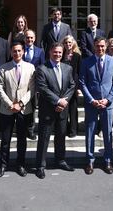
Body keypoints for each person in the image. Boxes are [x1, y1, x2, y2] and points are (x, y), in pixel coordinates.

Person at [80, 37, 113, 175]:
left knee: (108, 132)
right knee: (90, 132)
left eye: (102, 46)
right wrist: (91, 100)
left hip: (107, 104)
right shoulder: (86, 62)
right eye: (97, 46)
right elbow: (82, 82)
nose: (100, 49)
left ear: (106, 46)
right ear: (94, 47)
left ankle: (108, 160)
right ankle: (90, 160)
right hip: (92, 104)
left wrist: (108, 100)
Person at [35, 43, 76, 179]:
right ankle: (40, 166)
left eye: (60, 52)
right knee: (44, 138)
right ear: (50, 52)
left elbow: (72, 85)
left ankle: (61, 160)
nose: (57, 55)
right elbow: (43, 88)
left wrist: (64, 101)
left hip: (62, 110)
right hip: (48, 110)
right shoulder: (42, 69)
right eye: (55, 52)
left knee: (61, 137)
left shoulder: (67, 68)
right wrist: (58, 101)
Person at [0, 41, 35, 178]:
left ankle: (21, 165)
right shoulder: (4, 68)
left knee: (21, 140)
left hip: (24, 109)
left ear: (23, 51)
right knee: (5, 140)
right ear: (11, 52)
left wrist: (21, 103)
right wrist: (10, 104)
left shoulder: (30, 67)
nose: (17, 53)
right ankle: (3, 165)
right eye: (14, 51)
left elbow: (32, 89)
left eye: (19, 51)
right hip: (7, 109)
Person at [23, 29, 45, 140]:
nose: (29, 39)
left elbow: (42, 67)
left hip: (34, 84)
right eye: (27, 37)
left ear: (34, 39)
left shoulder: (40, 51)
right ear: (24, 38)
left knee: (32, 108)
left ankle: (30, 130)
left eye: (31, 37)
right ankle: (21, 129)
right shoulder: (20, 50)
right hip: (21, 84)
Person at [62, 35, 82, 138]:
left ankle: (73, 130)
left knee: (73, 108)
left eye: (69, 42)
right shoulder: (61, 55)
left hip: (73, 85)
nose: (68, 45)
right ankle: (64, 128)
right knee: (64, 108)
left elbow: (79, 72)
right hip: (62, 86)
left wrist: (79, 88)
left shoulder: (77, 56)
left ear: (73, 43)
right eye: (66, 43)